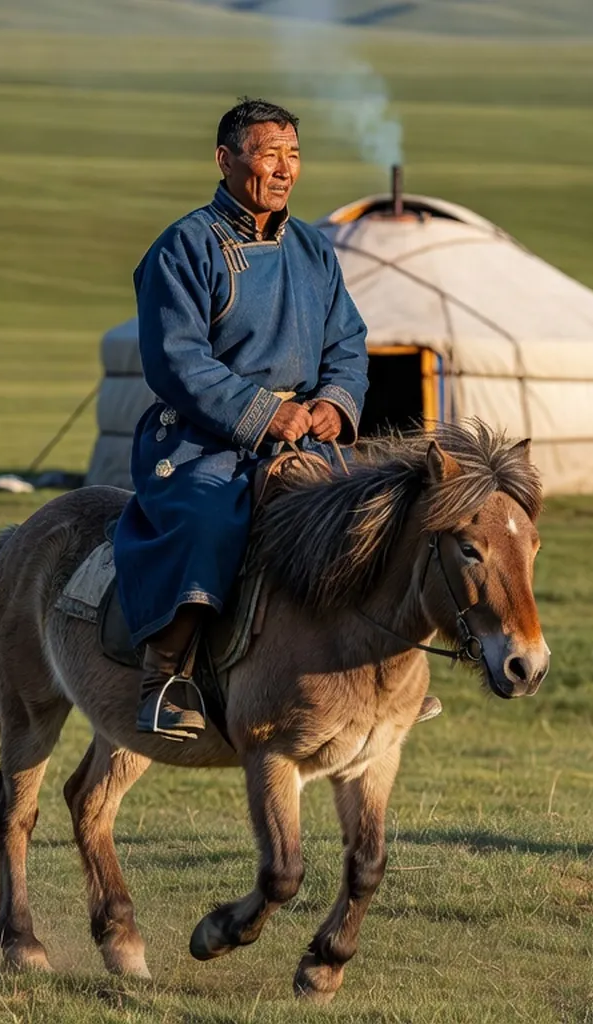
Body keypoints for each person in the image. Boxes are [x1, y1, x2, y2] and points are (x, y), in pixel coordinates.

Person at [109, 98, 370, 741]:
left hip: (304, 436)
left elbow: (349, 340)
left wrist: (334, 403)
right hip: (204, 439)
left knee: (375, 518)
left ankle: (371, 676)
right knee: (203, 519)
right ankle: (164, 678)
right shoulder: (185, 247)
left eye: (294, 156)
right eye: (267, 153)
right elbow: (177, 359)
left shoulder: (314, 249)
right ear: (225, 160)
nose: (283, 169)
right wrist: (263, 413)